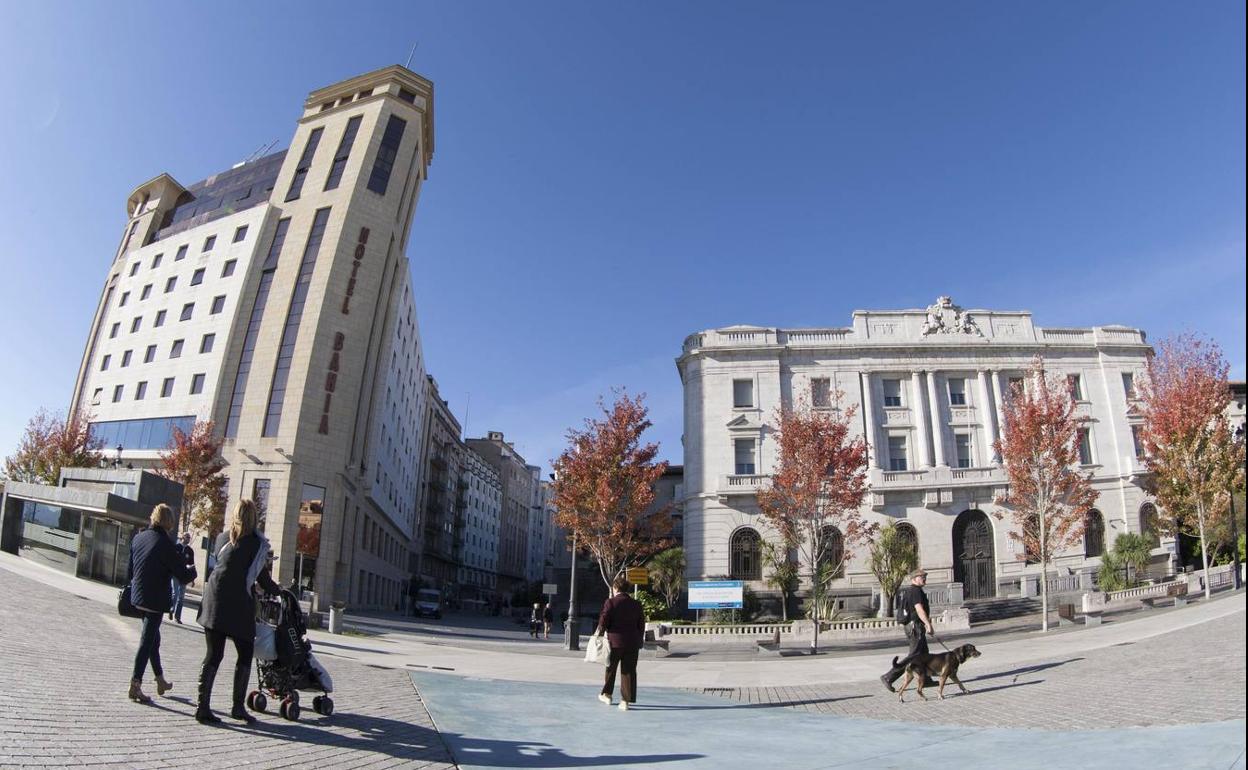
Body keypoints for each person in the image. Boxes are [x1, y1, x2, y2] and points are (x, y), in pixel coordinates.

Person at [195, 499, 279, 724]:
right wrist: (278, 590)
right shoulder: (256, 544)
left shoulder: (222, 538)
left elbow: (225, 564)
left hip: (213, 599)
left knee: (213, 655)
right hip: (238, 603)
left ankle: (202, 707)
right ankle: (238, 707)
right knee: (245, 653)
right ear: (254, 517)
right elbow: (263, 578)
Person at [127, 503, 197, 704]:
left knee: (153, 640)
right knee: (147, 641)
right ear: (169, 522)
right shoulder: (165, 544)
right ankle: (135, 683)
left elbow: (131, 569)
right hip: (155, 600)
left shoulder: (139, 537)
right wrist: (193, 570)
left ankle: (160, 680)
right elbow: (182, 576)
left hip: (138, 597)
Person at [880, 568, 938, 692]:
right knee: (914, 656)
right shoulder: (915, 591)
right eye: (922, 576)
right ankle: (889, 677)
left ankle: (925, 680)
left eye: (925, 576)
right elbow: (919, 609)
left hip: (915, 626)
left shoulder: (914, 590)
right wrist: (928, 624)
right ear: (914, 579)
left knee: (924, 654)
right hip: (915, 626)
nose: (924, 578)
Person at [595, 576, 645, 710]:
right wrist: (639, 640)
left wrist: (598, 635)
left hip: (614, 642)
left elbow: (603, 621)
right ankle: (625, 701)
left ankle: (607, 695)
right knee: (628, 671)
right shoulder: (636, 604)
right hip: (632, 643)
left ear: (615, 588)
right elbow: (641, 625)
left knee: (610, 669)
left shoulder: (610, 603)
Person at [169, 532, 195, 624]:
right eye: (187, 537)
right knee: (175, 593)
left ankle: (177, 617)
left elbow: (192, 564)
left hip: (184, 576)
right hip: (176, 574)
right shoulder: (176, 547)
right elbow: (171, 561)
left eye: (189, 538)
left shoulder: (190, 551)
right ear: (182, 538)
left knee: (181, 597)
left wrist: (192, 579)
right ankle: (171, 609)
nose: (188, 539)